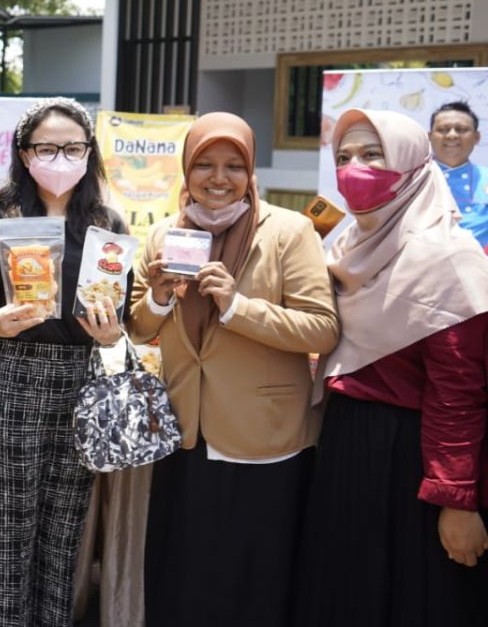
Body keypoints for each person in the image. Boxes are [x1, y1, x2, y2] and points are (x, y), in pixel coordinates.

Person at [129, 112, 339, 627]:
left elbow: (321, 329)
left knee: (252, 581)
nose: (218, 178)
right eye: (204, 164)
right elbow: (136, 327)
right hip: (184, 433)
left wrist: (236, 306)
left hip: (263, 440)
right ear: (186, 168)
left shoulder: (290, 232)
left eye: (233, 166)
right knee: (182, 577)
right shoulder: (163, 235)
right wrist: (158, 297)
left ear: (251, 173)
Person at [295, 109, 488, 626]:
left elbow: (459, 392)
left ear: (410, 163)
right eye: (344, 157)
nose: (354, 168)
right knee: (347, 590)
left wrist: (457, 500)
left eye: (372, 154)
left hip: (411, 458)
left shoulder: (449, 256)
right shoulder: (346, 247)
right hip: (344, 443)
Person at [0, 97, 130, 626]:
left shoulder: (107, 222)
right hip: (14, 374)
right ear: (24, 152)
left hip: (81, 381)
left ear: (89, 152)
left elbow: (120, 310)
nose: (60, 158)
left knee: (65, 537)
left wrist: (111, 335)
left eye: (73, 148)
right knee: (9, 534)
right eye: (47, 148)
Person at [429, 100, 488, 250]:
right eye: (443, 129)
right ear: (429, 137)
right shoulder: (412, 180)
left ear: (476, 137)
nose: (452, 135)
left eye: (461, 129)